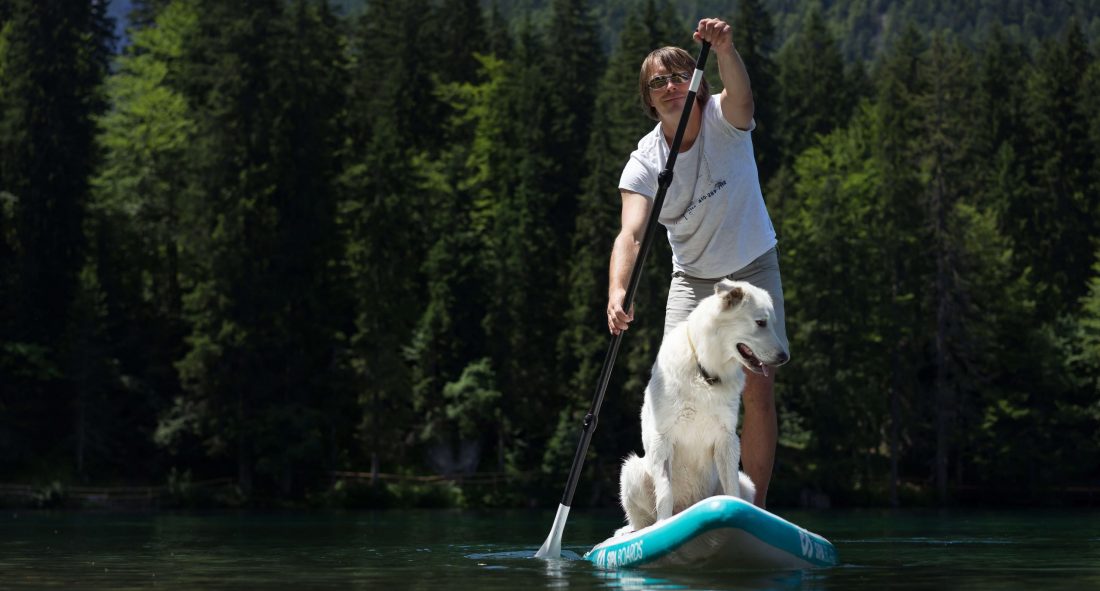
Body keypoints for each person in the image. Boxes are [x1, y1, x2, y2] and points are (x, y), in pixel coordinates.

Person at [607, 18, 787, 508]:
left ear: (699, 83)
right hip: (692, 280)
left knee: (756, 386)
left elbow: (743, 97)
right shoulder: (644, 161)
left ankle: (754, 508)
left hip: (751, 267)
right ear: (648, 99)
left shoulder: (723, 117)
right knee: (673, 384)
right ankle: (672, 507)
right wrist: (617, 293)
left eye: (679, 76)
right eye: (657, 82)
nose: (669, 87)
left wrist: (725, 47)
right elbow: (631, 232)